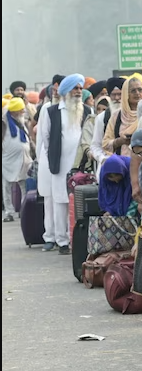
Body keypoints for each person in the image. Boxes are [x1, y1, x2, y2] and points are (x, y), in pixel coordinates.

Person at [36, 74, 93, 255]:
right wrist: (53, 157)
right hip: (60, 165)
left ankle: (78, 240)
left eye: (80, 88)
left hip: (81, 167)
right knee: (60, 202)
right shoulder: (52, 111)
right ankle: (61, 240)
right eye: (75, 88)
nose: (78, 91)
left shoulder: (87, 110)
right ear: (66, 91)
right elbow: (46, 137)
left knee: (79, 203)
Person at [2, 98, 33, 222]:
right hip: (7, 160)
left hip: (23, 159)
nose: (23, 111)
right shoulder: (4, 122)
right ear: (14, 111)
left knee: (24, 185)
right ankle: (9, 212)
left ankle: (23, 210)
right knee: (6, 186)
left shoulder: (21, 121)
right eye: (21, 110)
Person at [103, 74, 142, 157]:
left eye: (140, 90)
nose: (137, 93)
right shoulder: (117, 115)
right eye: (133, 91)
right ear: (126, 93)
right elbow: (105, 144)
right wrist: (120, 141)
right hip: (122, 161)